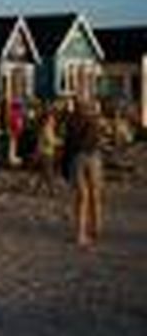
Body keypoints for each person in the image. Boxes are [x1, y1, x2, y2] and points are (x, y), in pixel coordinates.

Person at [63, 99, 103, 247]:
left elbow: (69, 144)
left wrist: (65, 165)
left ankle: (85, 231)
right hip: (89, 156)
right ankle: (93, 228)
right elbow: (93, 140)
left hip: (80, 157)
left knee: (84, 196)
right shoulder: (92, 121)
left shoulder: (72, 122)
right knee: (91, 194)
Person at [32, 106, 60, 195]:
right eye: (52, 119)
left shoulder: (48, 128)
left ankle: (36, 190)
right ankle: (52, 190)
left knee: (43, 174)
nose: (54, 121)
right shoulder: (46, 129)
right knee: (49, 173)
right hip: (46, 153)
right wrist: (59, 142)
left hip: (46, 153)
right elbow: (50, 141)